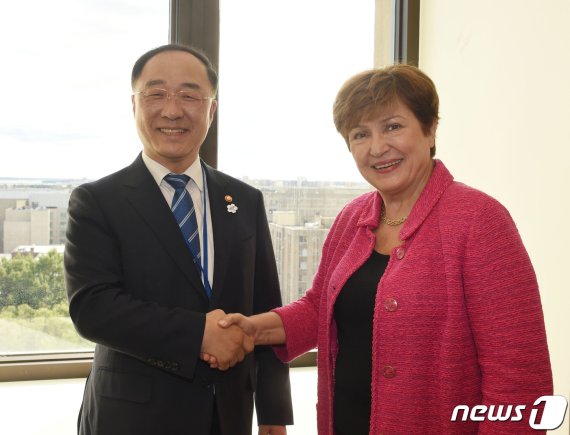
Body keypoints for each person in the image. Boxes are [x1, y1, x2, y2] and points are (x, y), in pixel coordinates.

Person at [205, 64, 553, 434]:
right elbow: (318, 307)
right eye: (360, 134)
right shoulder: (351, 218)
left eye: (393, 126)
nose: (377, 148)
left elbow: (520, 383)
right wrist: (251, 330)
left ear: (431, 128)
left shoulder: (480, 221)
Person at [64, 44, 293, 435]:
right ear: (134, 105)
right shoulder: (97, 200)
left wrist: (273, 411)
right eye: (156, 94)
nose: (172, 110)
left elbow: (265, 305)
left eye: (189, 95)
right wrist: (196, 334)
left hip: (228, 415)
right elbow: (93, 308)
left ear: (211, 110)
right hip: (132, 419)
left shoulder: (244, 199)